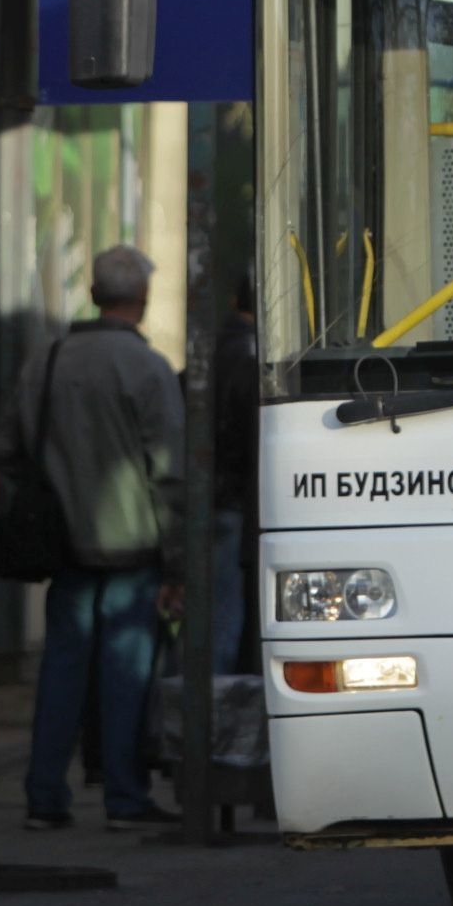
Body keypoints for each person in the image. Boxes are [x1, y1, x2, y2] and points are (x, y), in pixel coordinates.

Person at [0, 246, 184, 832]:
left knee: (61, 671)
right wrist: (179, 562)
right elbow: (171, 470)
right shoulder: (149, 369)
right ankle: (125, 797)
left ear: (96, 294)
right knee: (126, 676)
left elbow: (9, 448)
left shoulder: (46, 361)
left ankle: (44, 797)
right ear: (143, 298)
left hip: (66, 546)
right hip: (134, 549)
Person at [210, 278, 258, 674]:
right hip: (235, 502)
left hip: (212, 496)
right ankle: (214, 724)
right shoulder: (250, 357)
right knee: (226, 620)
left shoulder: (211, 350)